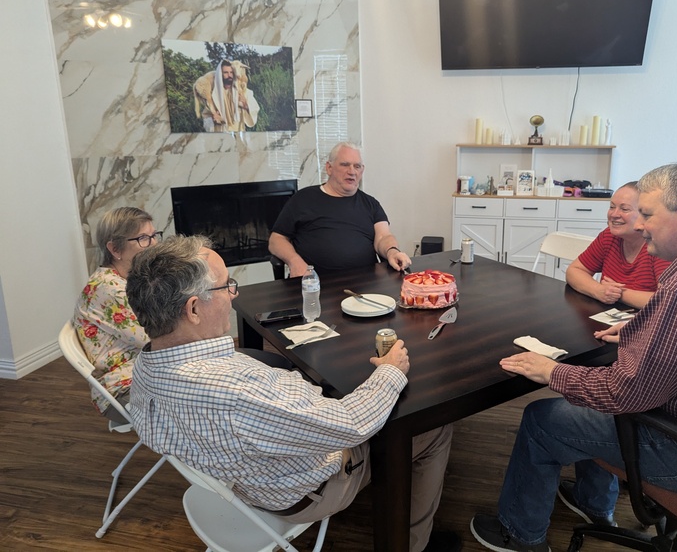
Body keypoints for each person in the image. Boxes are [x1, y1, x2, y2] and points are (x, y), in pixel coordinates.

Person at [470, 162, 677, 552]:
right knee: (589, 402)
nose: (638, 225)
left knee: (543, 419)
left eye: (646, 213)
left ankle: (521, 536)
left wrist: (553, 371)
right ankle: (593, 504)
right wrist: (642, 330)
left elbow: (625, 394)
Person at [126, 235, 458, 552]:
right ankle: (415, 545)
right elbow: (352, 423)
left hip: (237, 473)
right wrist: (391, 369)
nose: (233, 294)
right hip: (300, 493)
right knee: (433, 426)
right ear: (193, 310)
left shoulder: (145, 365)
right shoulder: (238, 392)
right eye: (226, 286)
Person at [269, 142, 413, 276]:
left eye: (357, 166)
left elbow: (383, 236)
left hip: (365, 285)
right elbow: (276, 240)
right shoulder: (303, 198)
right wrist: (294, 261)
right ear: (329, 168)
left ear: (362, 171)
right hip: (315, 284)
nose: (352, 171)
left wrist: (392, 251)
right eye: (345, 165)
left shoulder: (370, 203)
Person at [73, 207, 161, 423]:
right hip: (122, 389)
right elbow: (156, 339)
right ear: (115, 249)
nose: (154, 244)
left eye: (153, 236)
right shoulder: (109, 288)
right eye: (143, 238)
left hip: (145, 371)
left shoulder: (128, 279)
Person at [566, 181, 670, 309]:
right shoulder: (609, 236)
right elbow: (574, 271)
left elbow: (666, 300)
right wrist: (598, 290)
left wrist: (617, 294)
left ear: (645, 214)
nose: (614, 215)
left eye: (624, 209)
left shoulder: (659, 246)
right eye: (612, 207)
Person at [198, 59, 259, 132]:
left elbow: (255, 109)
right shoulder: (213, 97)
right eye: (226, 72)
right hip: (221, 138)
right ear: (220, 74)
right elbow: (206, 118)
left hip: (239, 136)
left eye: (231, 72)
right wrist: (213, 120)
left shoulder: (244, 92)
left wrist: (246, 106)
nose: (229, 75)